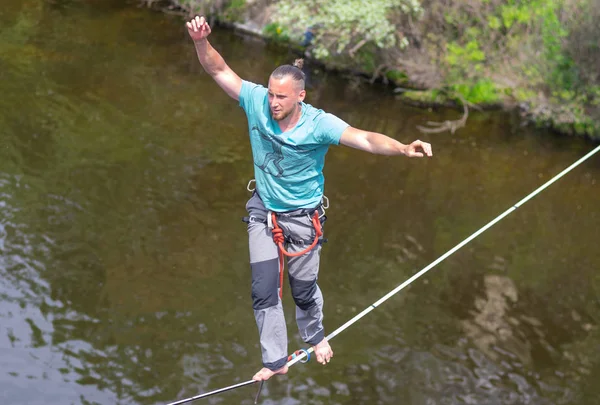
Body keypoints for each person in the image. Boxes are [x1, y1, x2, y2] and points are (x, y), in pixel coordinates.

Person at [186, 15, 433, 382]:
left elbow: (364, 138)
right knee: (264, 289)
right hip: (264, 212)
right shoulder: (255, 102)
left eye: (281, 97)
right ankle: (275, 361)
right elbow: (219, 70)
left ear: (300, 96)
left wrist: (401, 148)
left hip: (303, 218)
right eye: (270, 94)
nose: (272, 103)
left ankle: (316, 335)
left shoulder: (318, 124)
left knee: (303, 290)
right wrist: (200, 41)